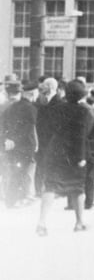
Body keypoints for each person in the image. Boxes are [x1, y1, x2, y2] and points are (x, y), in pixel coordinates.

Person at [35, 80, 89, 236]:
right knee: (78, 187)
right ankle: (79, 222)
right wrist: (81, 156)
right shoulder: (82, 111)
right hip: (73, 153)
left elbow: (46, 130)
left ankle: (42, 223)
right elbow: (80, 135)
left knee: (50, 186)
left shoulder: (56, 108)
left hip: (54, 151)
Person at [2, 79, 37, 208]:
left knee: (14, 172)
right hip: (25, 146)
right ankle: (16, 200)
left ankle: (13, 199)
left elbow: (5, 125)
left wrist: (8, 139)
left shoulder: (11, 107)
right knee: (22, 173)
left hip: (11, 145)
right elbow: (29, 129)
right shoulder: (30, 108)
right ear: (33, 93)